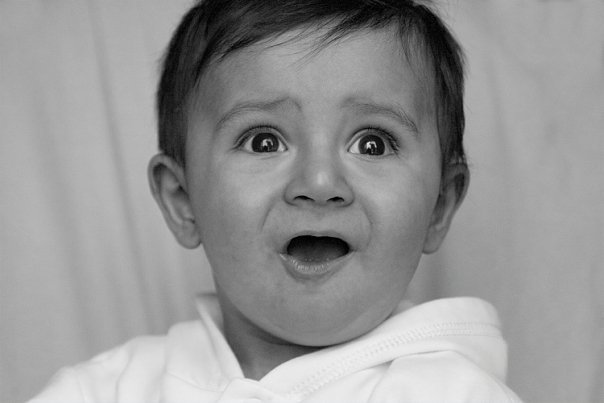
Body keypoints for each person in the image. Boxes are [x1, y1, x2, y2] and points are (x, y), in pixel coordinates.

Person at [30, 0, 522, 401]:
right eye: (264, 141)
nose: (320, 182)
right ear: (182, 200)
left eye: (373, 143)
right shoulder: (104, 390)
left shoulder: (456, 394)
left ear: (439, 206)